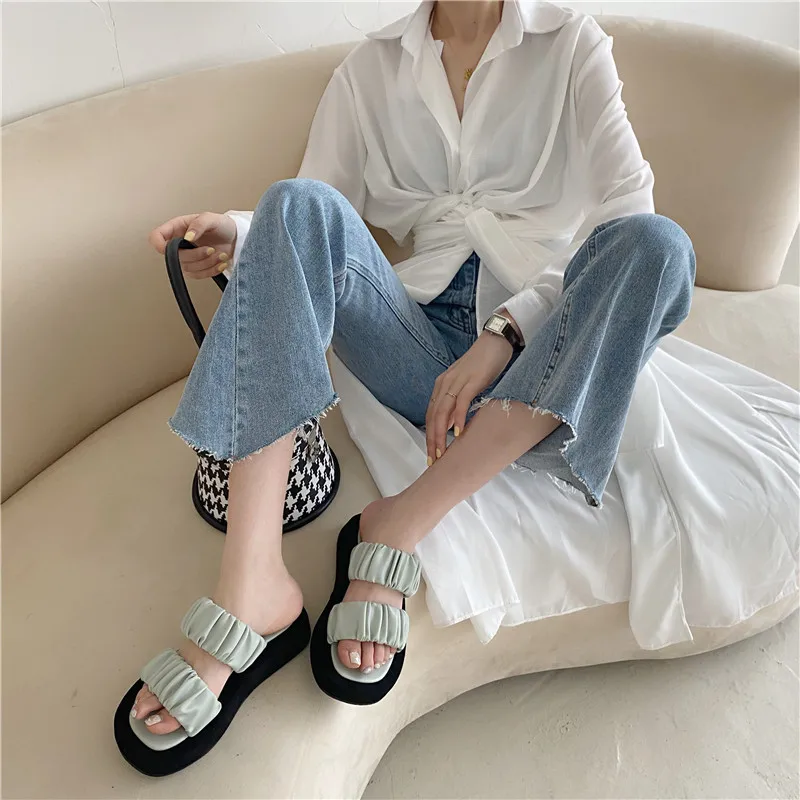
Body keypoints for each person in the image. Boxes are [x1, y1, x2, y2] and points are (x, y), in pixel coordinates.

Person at [115, 0, 695, 773]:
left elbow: (627, 208)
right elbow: (316, 206)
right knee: (293, 203)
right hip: (414, 346)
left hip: (548, 363)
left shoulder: (571, 44)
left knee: (659, 246)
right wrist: (242, 234)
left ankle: (395, 525)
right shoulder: (370, 70)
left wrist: (507, 331)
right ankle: (250, 585)